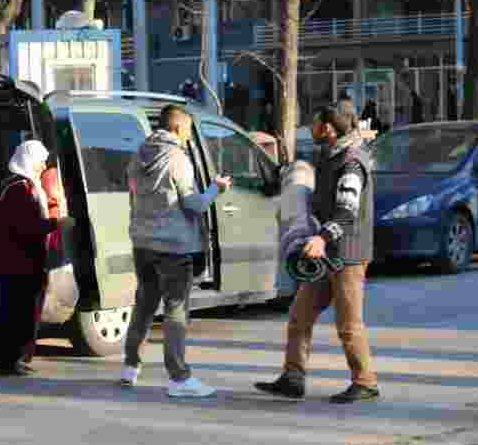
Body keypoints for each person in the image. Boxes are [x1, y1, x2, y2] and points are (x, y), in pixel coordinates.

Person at [256, 100, 379, 403]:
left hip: (347, 254)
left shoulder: (351, 162)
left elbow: (347, 212)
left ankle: (365, 382)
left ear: (327, 128)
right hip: (325, 252)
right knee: (300, 314)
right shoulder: (330, 156)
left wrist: (322, 238)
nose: (310, 129)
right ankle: (293, 377)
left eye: (314, 123)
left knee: (348, 324)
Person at [120, 104, 233, 398]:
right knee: (176, 311)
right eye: (187, 131)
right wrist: (216, 189)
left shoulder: (139, 154)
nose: (187, 136)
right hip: (173, 246)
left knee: (144, 305)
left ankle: (130, 366)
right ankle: (179, 378)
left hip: (142, 242)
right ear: (179, 128)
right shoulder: (177, 158)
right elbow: (193, 204)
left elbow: (134, 195)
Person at [0, 140, 72, 376]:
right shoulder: (20, 188)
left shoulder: (13, 184)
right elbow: (26, 226)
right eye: (41, 162)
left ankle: (13, 358)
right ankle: (10, 360)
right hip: (18, 259)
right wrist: (56, 223)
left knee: (13, 308)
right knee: (16, 309)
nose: (43, 167)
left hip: (12, 257)